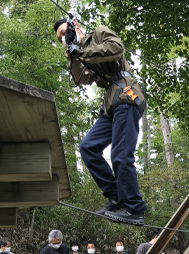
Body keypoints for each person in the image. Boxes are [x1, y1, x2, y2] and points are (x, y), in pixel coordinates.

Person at [53, 18, 146, 225]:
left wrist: (82, 52)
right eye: (60, 37)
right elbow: (81, 79)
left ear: (75, 26)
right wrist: (71, 53)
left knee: (120, 155)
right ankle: (115, 195)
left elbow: (116, 48)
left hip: (126, 95)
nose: (63, 37)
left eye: (64, 32)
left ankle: (135, 208)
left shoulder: (99, 34)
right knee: (88, 147)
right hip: (110, 104)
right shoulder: (78, 50)